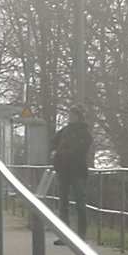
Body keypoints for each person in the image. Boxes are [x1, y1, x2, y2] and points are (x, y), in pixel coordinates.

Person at [52, 103, 93, 244]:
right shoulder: (65, 131)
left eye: (74, 115)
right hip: (63, 170)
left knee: (80, 204)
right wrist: (57, 153)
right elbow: (53, 143)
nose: (71, 117)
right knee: (62, 203)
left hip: (78, 171)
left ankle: (81, 236)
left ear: (80, 117)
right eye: (70, 114)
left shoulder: (85, 134)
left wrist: (59, 154)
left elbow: (78, 151)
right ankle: (65, 236)